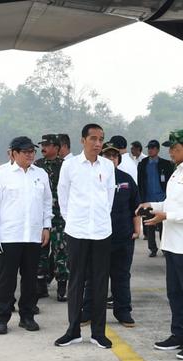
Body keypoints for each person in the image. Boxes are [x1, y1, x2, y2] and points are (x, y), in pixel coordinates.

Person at [140, 129, 183, 360]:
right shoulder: (178, 171)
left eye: (175, 148)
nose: (170, 152)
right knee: (174, 293)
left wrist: (166, 216)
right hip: (172, 243)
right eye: (170, 148)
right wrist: (152, 204)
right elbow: (171, 203)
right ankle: (179, 334)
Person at [54, 124, 115, 349]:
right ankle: (73, 331)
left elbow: (109, 197)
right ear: (83, 140)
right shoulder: (70, 165)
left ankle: (99, 333)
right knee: (76, 281)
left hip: (101, 232)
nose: (98, 143)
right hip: (77, 231)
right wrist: (72, 221)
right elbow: (63, 195)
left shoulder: (108, 166)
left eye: (101, 139)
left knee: (100, 282)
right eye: (93, 139)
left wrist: (99, 220)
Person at [0, 136, 52, 335]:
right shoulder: (1, 174)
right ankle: (2, 318)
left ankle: (27, 316)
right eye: (26, 152)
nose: (30, 155)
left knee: (31, 279)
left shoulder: (40, 174)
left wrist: (46, 227)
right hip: (8, 236)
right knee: (6, 280)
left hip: (33, 236)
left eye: (32, 151)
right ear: (14, 153)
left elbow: (47, 203)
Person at [83, 142, 140, 327]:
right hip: (98, 236)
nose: (111, 159)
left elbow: (135, 207)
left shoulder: (127, 179)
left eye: (114, 156)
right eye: (107, 156)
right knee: (94, 276)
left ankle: (123, 312)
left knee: (121, 276)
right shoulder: (92, 177)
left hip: (123, 236)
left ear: (118, 159)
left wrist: (137, 229)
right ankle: (88, 311)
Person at [34, 134, 68, 301]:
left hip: (60, 218)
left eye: (47, 145)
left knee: (61, 252)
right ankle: (41, 286)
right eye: (42, 145)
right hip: (41, 216)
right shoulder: (37, 166)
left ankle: (62, 287)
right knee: (40, 252)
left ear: (56, 147)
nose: (43, 148)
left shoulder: (65, 166)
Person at [137, 139, 175, 257]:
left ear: (157, 150)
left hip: (162, 198)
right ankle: (152, 248)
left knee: (163, 225)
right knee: (150, 225)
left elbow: (170, 181)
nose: (150, 150)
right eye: (149, 148)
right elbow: (140, 182)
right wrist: (141, 199)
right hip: (148, 199)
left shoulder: (166, 164)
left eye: (153, 148)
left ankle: (165, 247)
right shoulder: (143, 163)